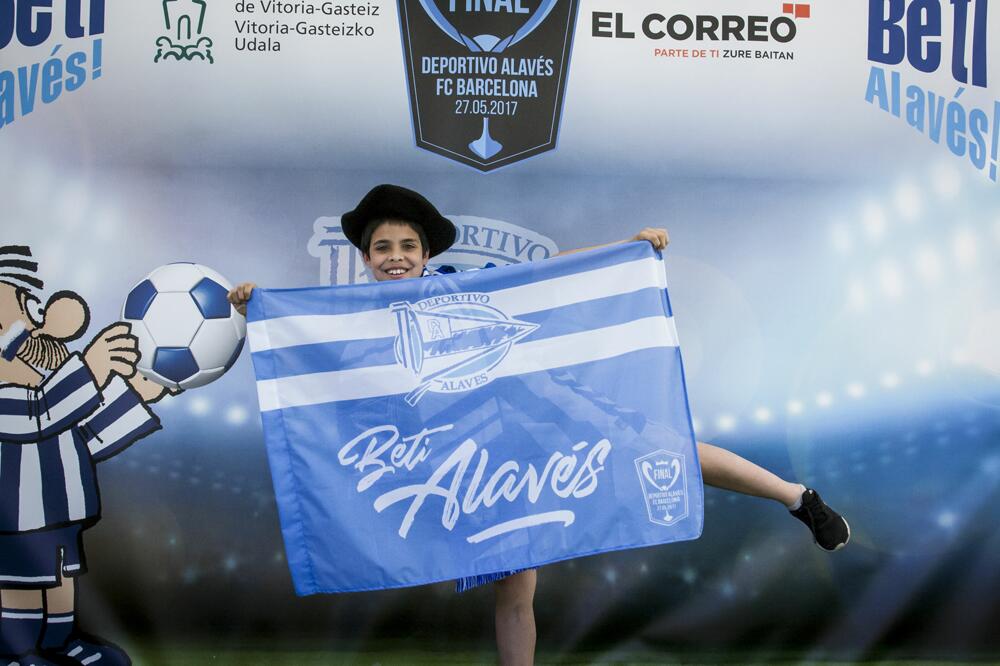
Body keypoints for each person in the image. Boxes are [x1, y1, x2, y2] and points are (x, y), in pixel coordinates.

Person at [228, 184, 850, 666]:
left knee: (666, 449)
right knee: (516, 590)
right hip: (483, 458)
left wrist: (626, 249)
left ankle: (799, 498)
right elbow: (302, 347)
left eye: (407, 246)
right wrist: (258, 302)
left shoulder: (461, 285)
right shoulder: (350, 321)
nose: (396, 258)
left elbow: (550, 274)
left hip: (546, 413)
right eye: (383, 248)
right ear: (365, 258)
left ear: (426, 254)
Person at [0, 245, 171, 666]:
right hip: (13, 518)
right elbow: (38, 413)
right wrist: (92, 368)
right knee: (22, 580)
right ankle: (16, 652)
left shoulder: (52, 392)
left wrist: (143, 391)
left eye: (27, 313)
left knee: (60, 579)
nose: (30, 335)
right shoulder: (11, 400)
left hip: (58, 514)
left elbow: (87, 435)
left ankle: (60, 643)